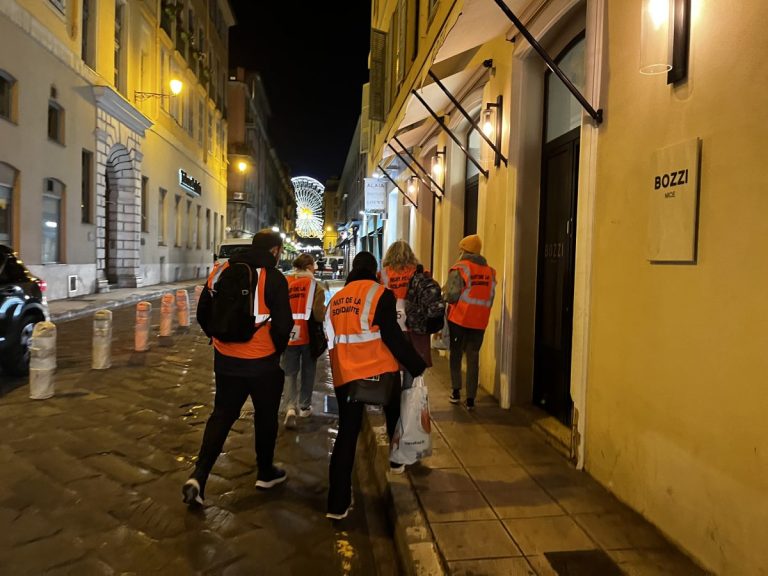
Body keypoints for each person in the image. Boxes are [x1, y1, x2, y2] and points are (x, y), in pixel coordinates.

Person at [183, 229, 294, 506]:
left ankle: (199, 475)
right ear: (275, 251)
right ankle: (265, 472)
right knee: (266, 416)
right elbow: (283, 324)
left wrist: (219, 339)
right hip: (262, 362)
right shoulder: (275, 278)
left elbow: (202, 313)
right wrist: (273, 351)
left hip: (226, 360)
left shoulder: (221, 271)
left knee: (221, 414)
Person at [324, 251, 426, 520]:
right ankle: (396, 462)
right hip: (379, 372)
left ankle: (337, 504)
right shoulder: (380, 294)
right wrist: (415, 364)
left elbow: (330, 339)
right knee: (393, 413)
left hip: (345, 376)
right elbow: (392, 336)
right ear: (374, 270)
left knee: (347, 434)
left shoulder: (336, 299)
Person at [443, 234, 496, 411]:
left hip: (459, 319)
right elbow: (491, 296)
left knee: (456, 354)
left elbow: (451, 295)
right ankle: (471, 399)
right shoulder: (489, 271)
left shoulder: (461, 268)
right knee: (473, 357)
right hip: (480, 321)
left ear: (464, 250)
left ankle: (456, 391)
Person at [282, 253, 326, 429]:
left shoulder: (287, 283)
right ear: (308, 267)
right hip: (309, 335)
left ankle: (290, 407)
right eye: (314, 266)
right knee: (308, 370)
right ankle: (304, 406)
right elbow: (318, 314)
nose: (315, 269)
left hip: (289, 335)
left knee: (289, 372)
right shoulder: (316, 287)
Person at [380, 240, 432, 386]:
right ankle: (408, 398)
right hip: (415, 323)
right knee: (412, 362)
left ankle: (393, 400)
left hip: (392, 324)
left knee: (392, 360)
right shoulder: (420, 271)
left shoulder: (383, 274)